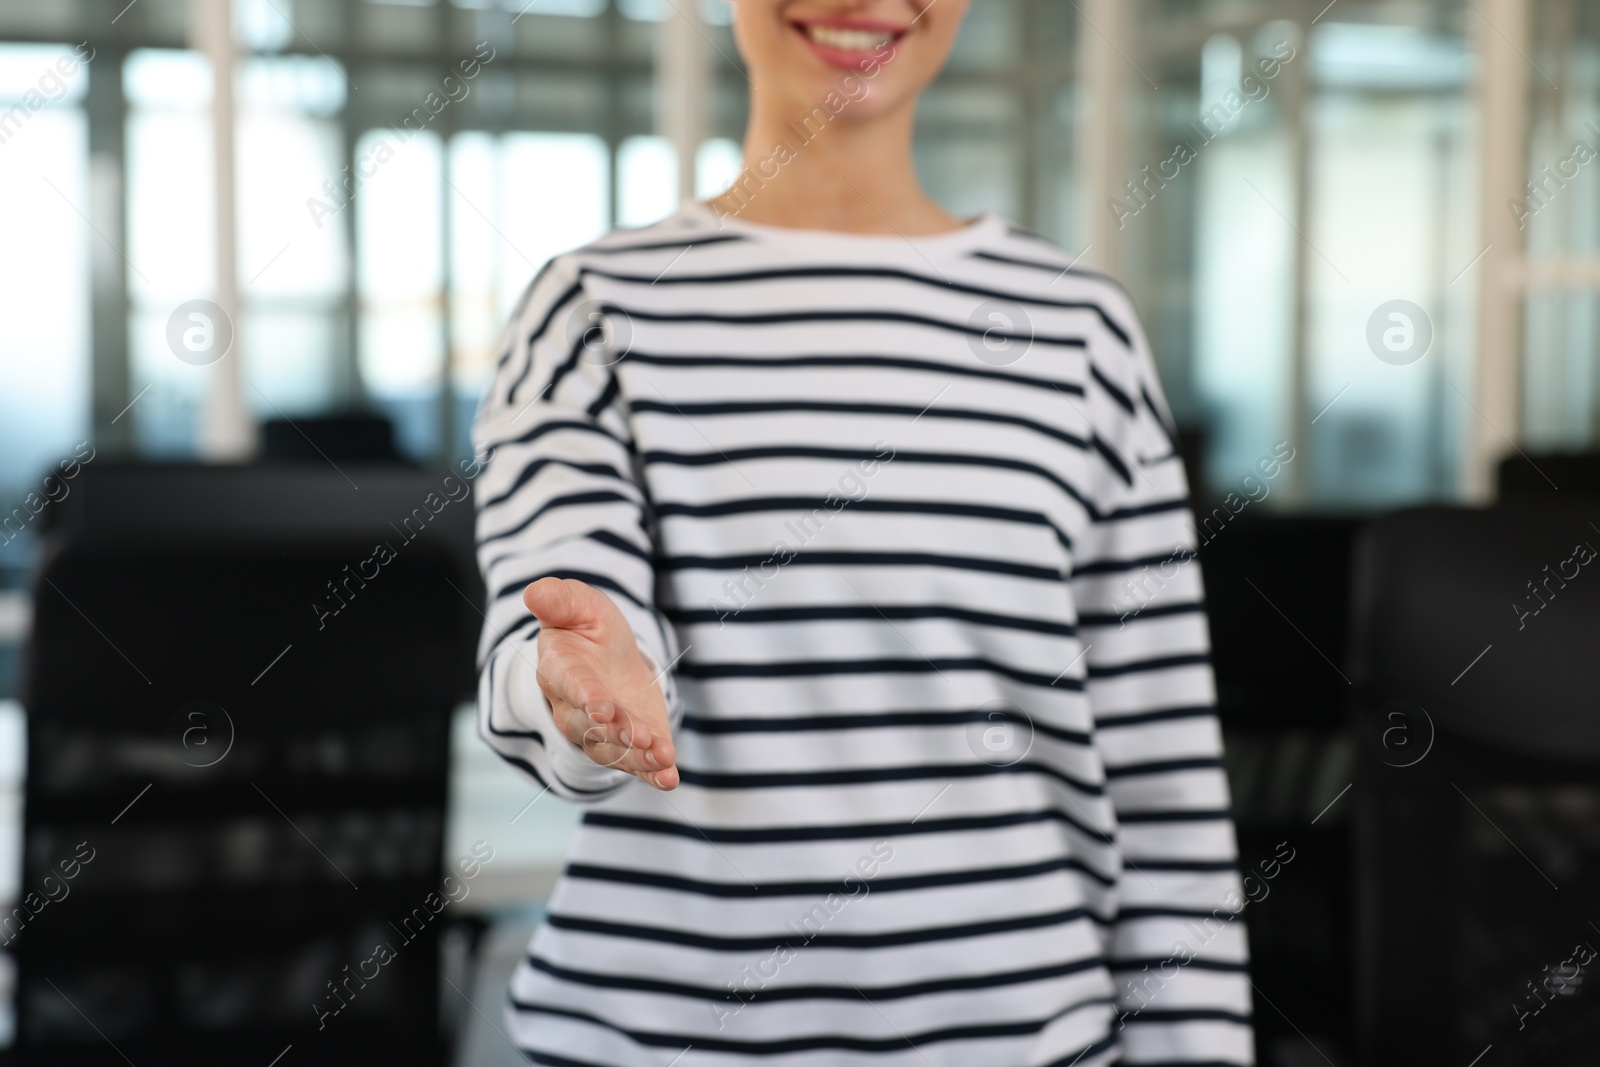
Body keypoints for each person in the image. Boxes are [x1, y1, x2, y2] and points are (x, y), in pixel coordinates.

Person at [470, 2, 1253, 1063]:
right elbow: (551, 631)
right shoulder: (591, 311)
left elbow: (1164, 792)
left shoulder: (1080, 336)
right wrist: (577, 689)